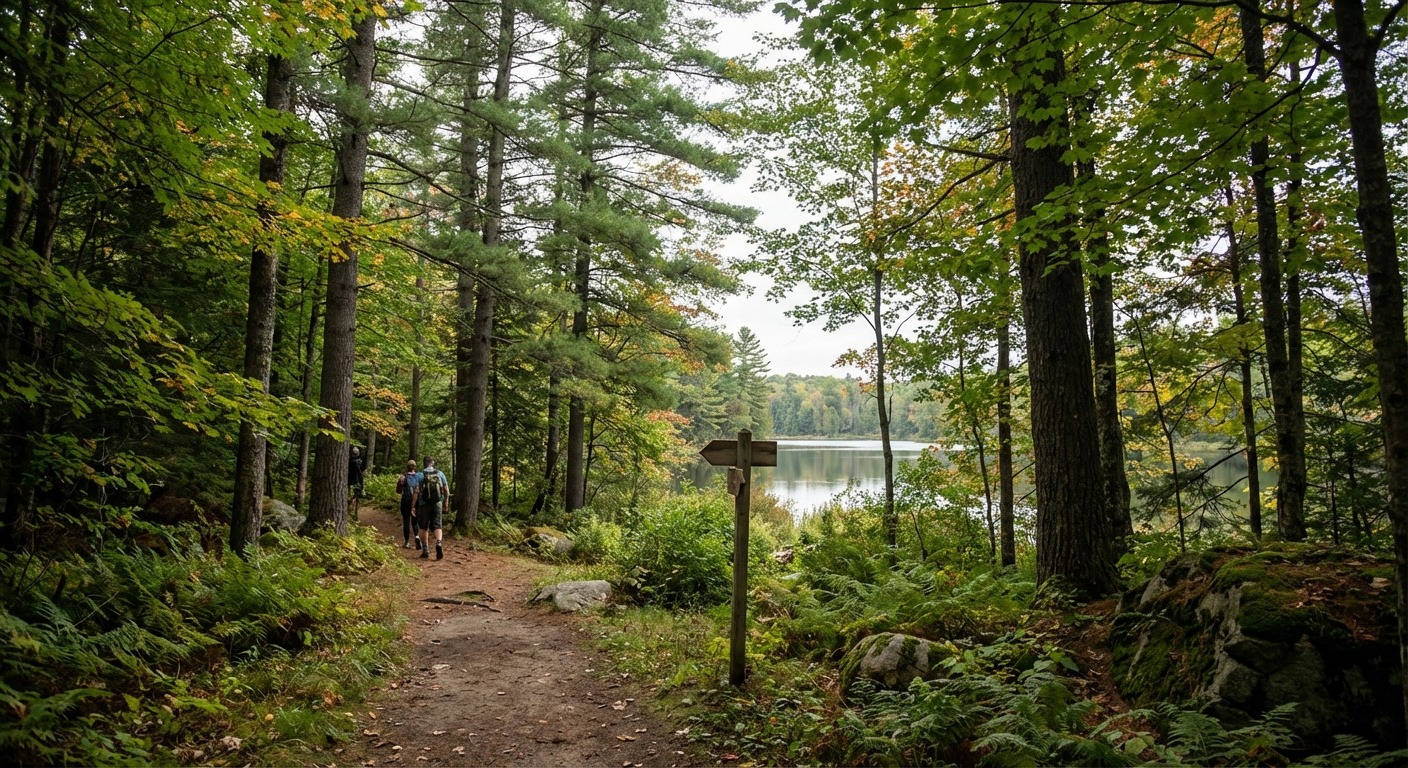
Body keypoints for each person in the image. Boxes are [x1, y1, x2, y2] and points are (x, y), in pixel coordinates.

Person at [413, 455, 449, 560]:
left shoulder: (420, 475)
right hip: (437, 502)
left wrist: (412, 506)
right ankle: (438, 542)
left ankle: (426, 550)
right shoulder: (440, 474)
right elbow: (446, 489)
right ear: (432, 463)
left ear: (424, 463)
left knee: (423, 527)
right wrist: (446, 502)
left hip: (423, 504)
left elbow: (416, 491)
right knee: (438, 525)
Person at [394, 459, 420, 549]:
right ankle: (417, 537)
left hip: (405, 502)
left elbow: (398, 491)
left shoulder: (403, 477)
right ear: (414, 467)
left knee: (406, 521)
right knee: (415, 521)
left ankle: (407, 542)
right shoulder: (418, 477)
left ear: (407, 467)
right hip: (416, 502)